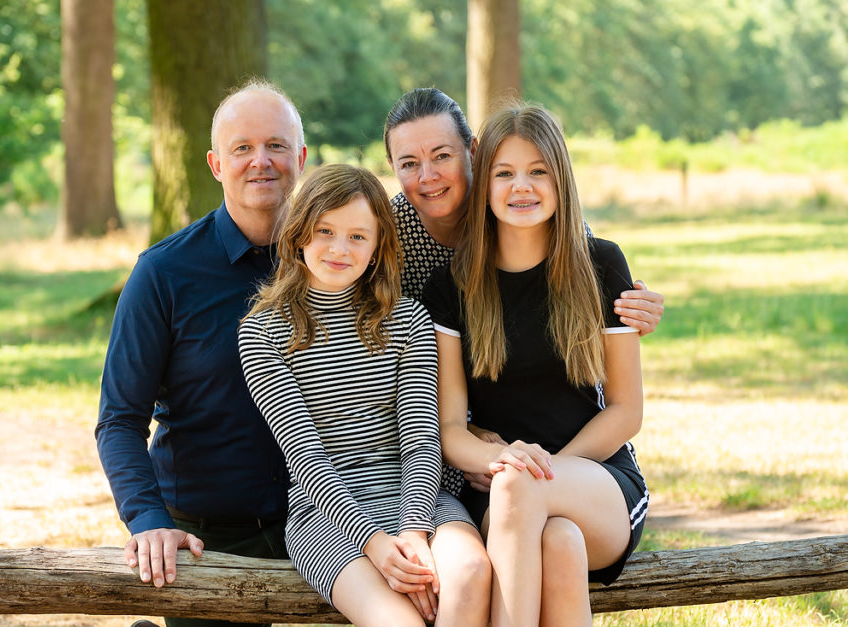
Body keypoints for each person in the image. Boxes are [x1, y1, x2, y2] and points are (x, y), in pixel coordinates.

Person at [421, 103, 648, 626]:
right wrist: (500, 466)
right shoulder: (451, 287)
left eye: (537, 171)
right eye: (504, 173)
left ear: (560, 178)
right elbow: (450, 428)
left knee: (527, 495)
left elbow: (625, 411)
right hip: (499, 492)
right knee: (558, 543)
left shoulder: (601, 263)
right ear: (485, 184)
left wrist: (539, 473)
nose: (521, 186)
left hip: (598, 479)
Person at [237, 164, 490, 627]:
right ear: (297, 236)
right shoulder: (263, 331)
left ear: (377, 249)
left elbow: (420, 440)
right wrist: (375, 543)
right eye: (325, 231)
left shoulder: (409, 320)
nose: (339, 248)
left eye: (358, 236)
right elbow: (306, 458)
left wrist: (413, 533)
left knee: (471, 572)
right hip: (327, 514)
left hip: (417, 497)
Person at [95, 80, 307, 627]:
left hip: (323, 530)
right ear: (216, 164)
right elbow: (119, 420)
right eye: (243, 148)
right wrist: (147, 520)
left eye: (277, 146)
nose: (261, 161)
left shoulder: (338, 263)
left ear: (301, 158)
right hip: (204, 540)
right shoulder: (163, 274)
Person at [383, 87, 663, 495]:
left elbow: (583, 290)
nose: (428, 176)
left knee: (550, 524)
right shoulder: (384, 242)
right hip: (450, 445)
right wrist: (474, 439)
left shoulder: (541, 223)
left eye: (442, 155)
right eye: (409, 163)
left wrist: (634, 308)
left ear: (473, 152)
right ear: (392, 167)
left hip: (566, 453)